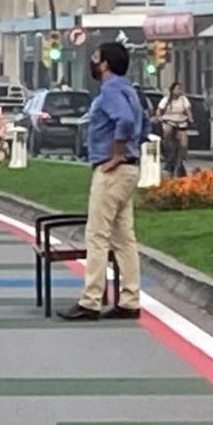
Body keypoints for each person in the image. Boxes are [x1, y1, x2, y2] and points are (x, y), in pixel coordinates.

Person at [59, 42, 148, 322]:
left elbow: (125, 121)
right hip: (130, 168)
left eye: (96, 57)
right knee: (124, 237)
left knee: (97, 235)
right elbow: (143, 123)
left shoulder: (110, 90)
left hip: (112, 169)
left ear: (106, 63)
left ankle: (91, 300)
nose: (93, 61)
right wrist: (131, 149)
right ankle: (130, 299)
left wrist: (117, 153)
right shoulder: (129, 90)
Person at [156, 81, 192, 176]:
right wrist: (159, 116)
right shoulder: (166, 100)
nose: (179, 91)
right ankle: (166, 147)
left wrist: (190, 117)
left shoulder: (184, 99)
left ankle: (182, 160)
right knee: (168, 131)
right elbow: (159, 111)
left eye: (180, 89)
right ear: (172, 90)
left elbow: (188, 110)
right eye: (177, 89)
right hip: (169, 121)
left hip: (181, 123)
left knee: (184, 143)